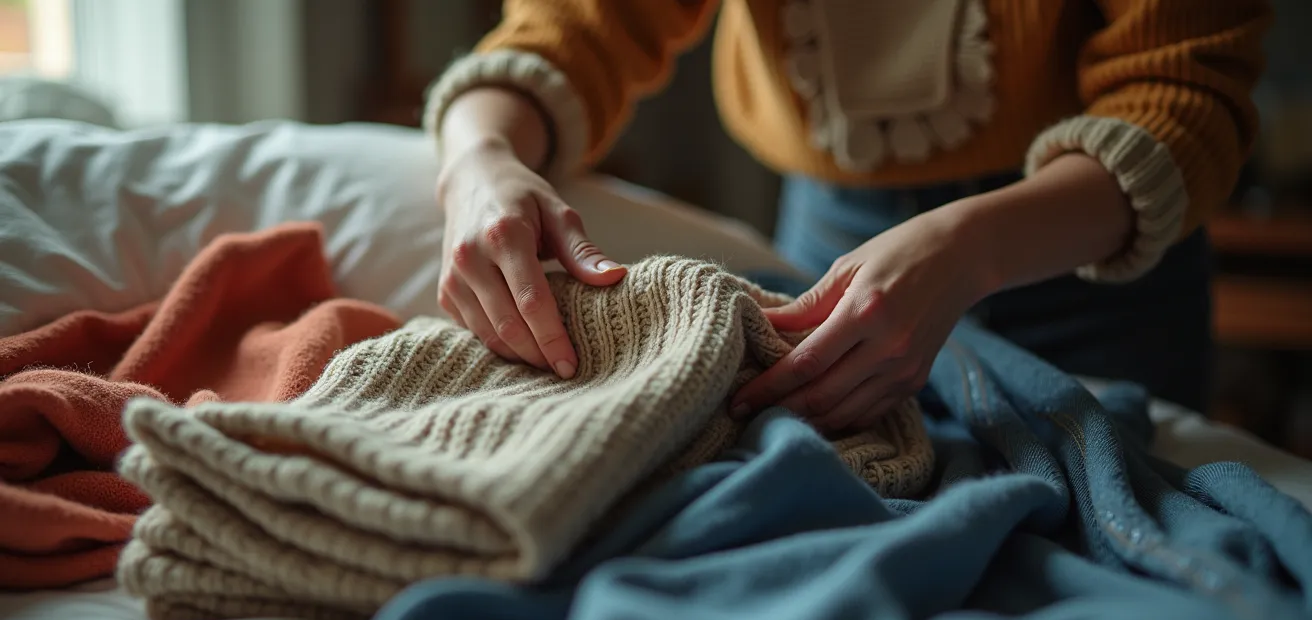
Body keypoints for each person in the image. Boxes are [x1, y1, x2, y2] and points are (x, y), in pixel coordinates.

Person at [425, 0, 1271, 430]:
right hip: (831, 235)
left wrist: (970, 247)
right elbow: (571, 28)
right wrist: (478, 160)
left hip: (1097, 251)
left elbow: (1184, 97)